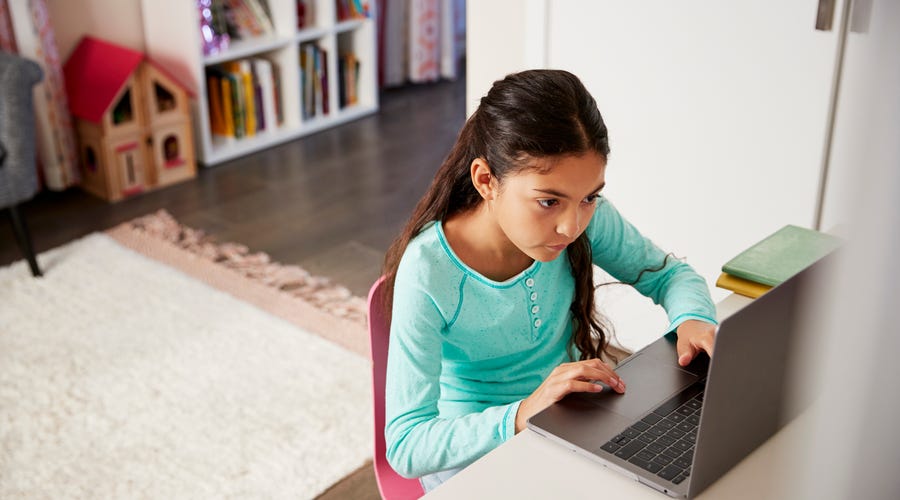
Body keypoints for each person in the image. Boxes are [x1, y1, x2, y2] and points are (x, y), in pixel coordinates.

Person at [381, 69, 717, 492]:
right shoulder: (429, 270)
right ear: (486, 180)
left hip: (571, 423)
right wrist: (523, 412)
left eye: (589, 197)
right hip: (474, 459)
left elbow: (669, 274)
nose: (571, 226)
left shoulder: (579, 217)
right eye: (548, 201)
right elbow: (408, 446)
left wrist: (693, 318)